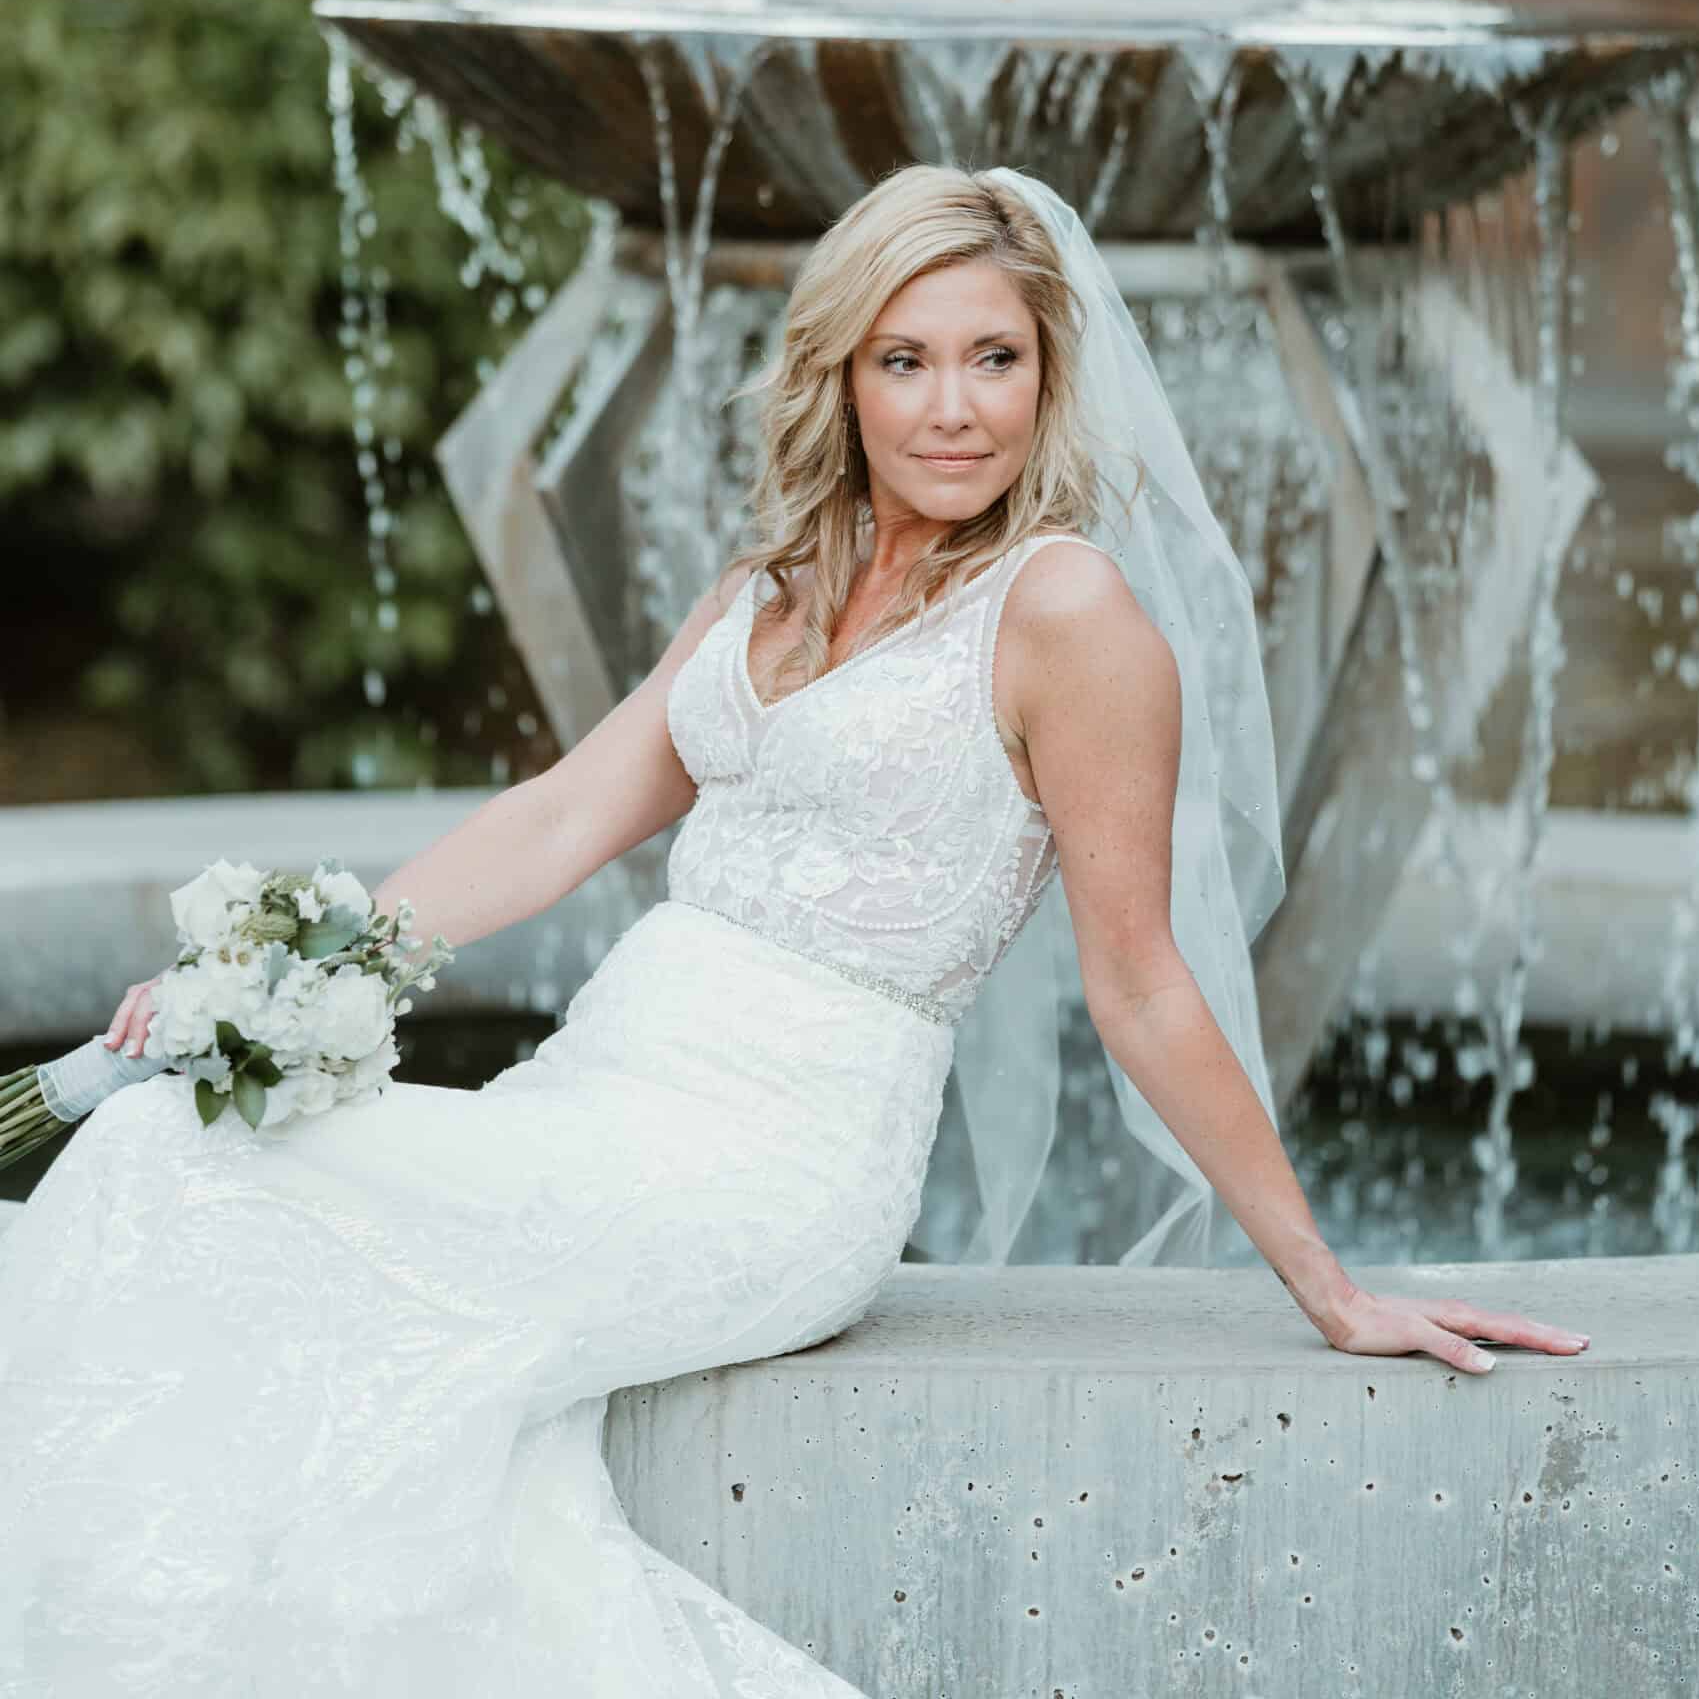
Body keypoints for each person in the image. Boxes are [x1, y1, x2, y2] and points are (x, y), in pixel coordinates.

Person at [0, 164, 1589, 1699]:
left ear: (1050, 375)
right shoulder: (774, 576)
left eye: (994, 359)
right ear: (840, 375)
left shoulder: (1069, 617)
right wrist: (268, 980)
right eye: (906, 361)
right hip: (595, 1094)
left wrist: (1325, 1281)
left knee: (175, 1172)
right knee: (193, 1171)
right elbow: (560, 818)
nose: (953, 407)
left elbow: (1144, 982)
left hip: (776, 1163)